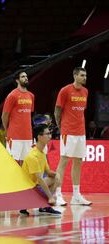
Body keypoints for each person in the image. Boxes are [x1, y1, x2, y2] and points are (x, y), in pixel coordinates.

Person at [54, 67, 92, 206]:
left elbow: (81, 112)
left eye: (85, 75)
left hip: (81, 132)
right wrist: (61, 127)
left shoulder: (85, 91)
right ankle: (58, 194)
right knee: (63, 161)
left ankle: (76, 195)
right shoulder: (65, 90)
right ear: (75, 75)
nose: (85, 77)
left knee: (78, 161)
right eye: (82, 75)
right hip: (68, 132)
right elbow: (57, 110)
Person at [21, 124, 61, 216]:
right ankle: (45, 205)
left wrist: (57, 174)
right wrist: (50, 196)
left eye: (50, 133)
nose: (50, 136)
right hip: (28, 190)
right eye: (47, 134)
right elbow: (40, 179)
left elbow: (48, 172)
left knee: (54, 178)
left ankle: (44, 206)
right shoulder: (33, 156)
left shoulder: (41, 153)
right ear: (39, 137)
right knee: (49, 180)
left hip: (34, 186)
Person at [2, 70, 34, 164]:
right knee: (13, 164)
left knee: (26, 164)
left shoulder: (31, 96)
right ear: (17, 80)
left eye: (26, 76)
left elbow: (28, 115)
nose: (26, 78)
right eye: (23, 77)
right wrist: (7, 129)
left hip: (28, 136)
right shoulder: (12, 95)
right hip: (14, 136)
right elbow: (4, 116)